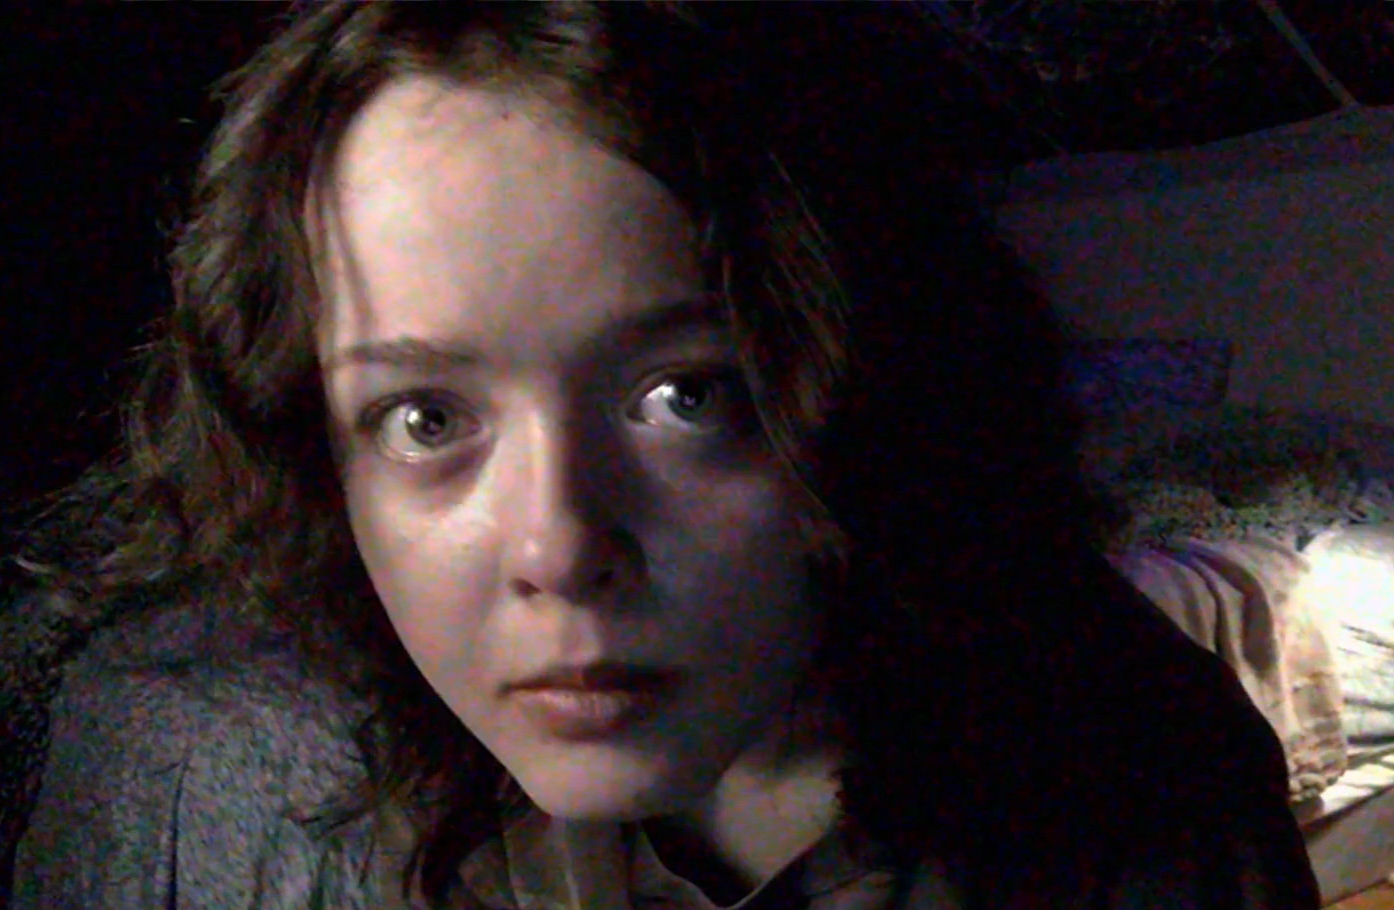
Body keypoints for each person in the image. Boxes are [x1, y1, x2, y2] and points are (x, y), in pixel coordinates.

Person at [6, 3, 1319, 908]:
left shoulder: (1134, 777)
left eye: (690, 395)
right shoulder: (346, 775)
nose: (557, 546)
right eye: (425, 419)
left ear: (875, 387)